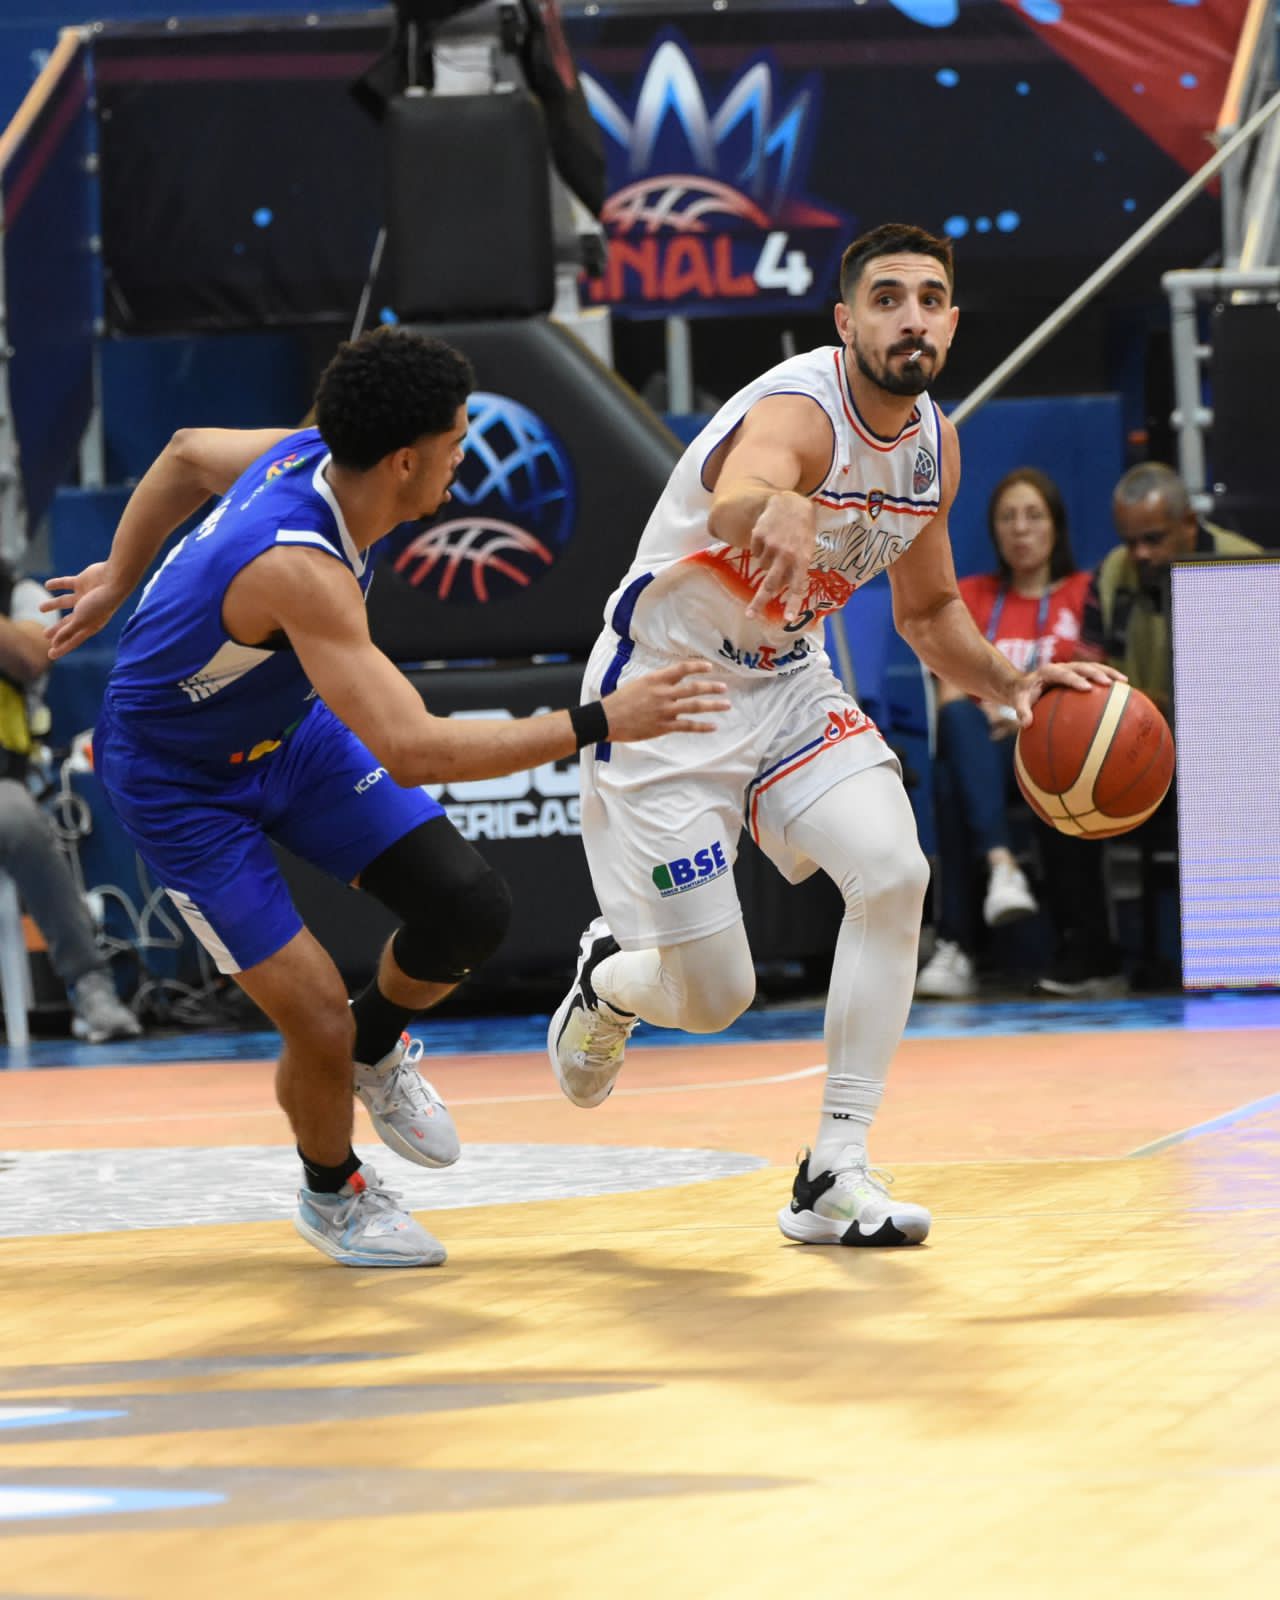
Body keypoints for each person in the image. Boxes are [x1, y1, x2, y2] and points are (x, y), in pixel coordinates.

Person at [41, 326, 728, 1268]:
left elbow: (188, 452)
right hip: (178, 783)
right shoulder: (299, 566)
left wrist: (119, 577)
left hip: (284, 733)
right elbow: (414, 749)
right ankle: (333, 1194)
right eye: (456, 443)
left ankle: (371, 1049)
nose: (463, 460)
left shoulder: (315, 453)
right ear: (405, 461)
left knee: (466, 907)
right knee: (314, 1017)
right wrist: (602, 718)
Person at [546, 222, 1120, 1248]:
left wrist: (1012, 681)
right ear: (846, 321)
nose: (911, 318)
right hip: (672, 692)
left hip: (786, 686)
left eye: (929, 299)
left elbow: (927, 612)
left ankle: (831, 1170)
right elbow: (742, 488)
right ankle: (610, 978)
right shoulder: (801, 410)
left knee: (895, 871)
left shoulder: (934, 447)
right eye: (887, 298)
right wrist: (774, 508)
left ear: (951, 322)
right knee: (715, 997)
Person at [1030, 460, 1263, 996]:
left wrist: (1172, 708)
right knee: (1060, 781)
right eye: (1130, 540)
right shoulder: (1112, 574)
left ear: (1188, 524)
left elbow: (1255, 708)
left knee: (1242, 780)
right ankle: (1092, 955)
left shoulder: (1243, 565)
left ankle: (1240, 954)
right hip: (1139, 752)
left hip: (1228, 758)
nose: (1139, 554)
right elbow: (1089, 671)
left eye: (1153, 539)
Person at [915, 467, 1092, 999]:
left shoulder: (1082, 594)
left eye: (1033, 516)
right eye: (1008, 518)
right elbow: (950, 695)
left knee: (952, 777)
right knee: (958, 729)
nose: (1020, 528)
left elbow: (1092, 692)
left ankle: (958, 944)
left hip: (1055, 751)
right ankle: (1001, 867)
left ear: (1056, 525)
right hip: (986, 754)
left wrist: (1016, 715)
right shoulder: (970, 596)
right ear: (994, 529)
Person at [1, 561, 142, 1043]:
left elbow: (32, 655)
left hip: (3, 784)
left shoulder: (20, 595)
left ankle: (90, 985)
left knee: (18, 818)